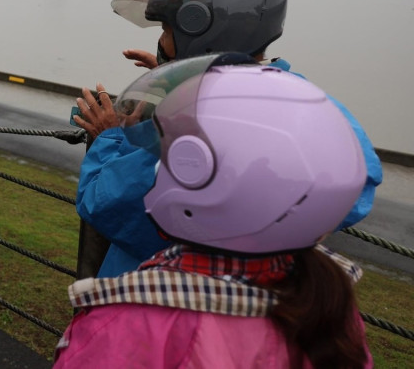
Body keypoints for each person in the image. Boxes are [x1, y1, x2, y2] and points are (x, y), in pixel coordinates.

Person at [72, 0, 382, 277]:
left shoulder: (195, 129)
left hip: (161, 299)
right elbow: (359, 180)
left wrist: (109, 136)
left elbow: (104, 203)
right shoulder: (308, 102)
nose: (161, 40)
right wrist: (177, 85)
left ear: (201, 29)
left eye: (166, 29)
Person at [55, 56, 372, 368]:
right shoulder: (332, 310)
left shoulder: (128, 319)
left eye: (167, 152)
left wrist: (116, 136)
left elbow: (105, 199)